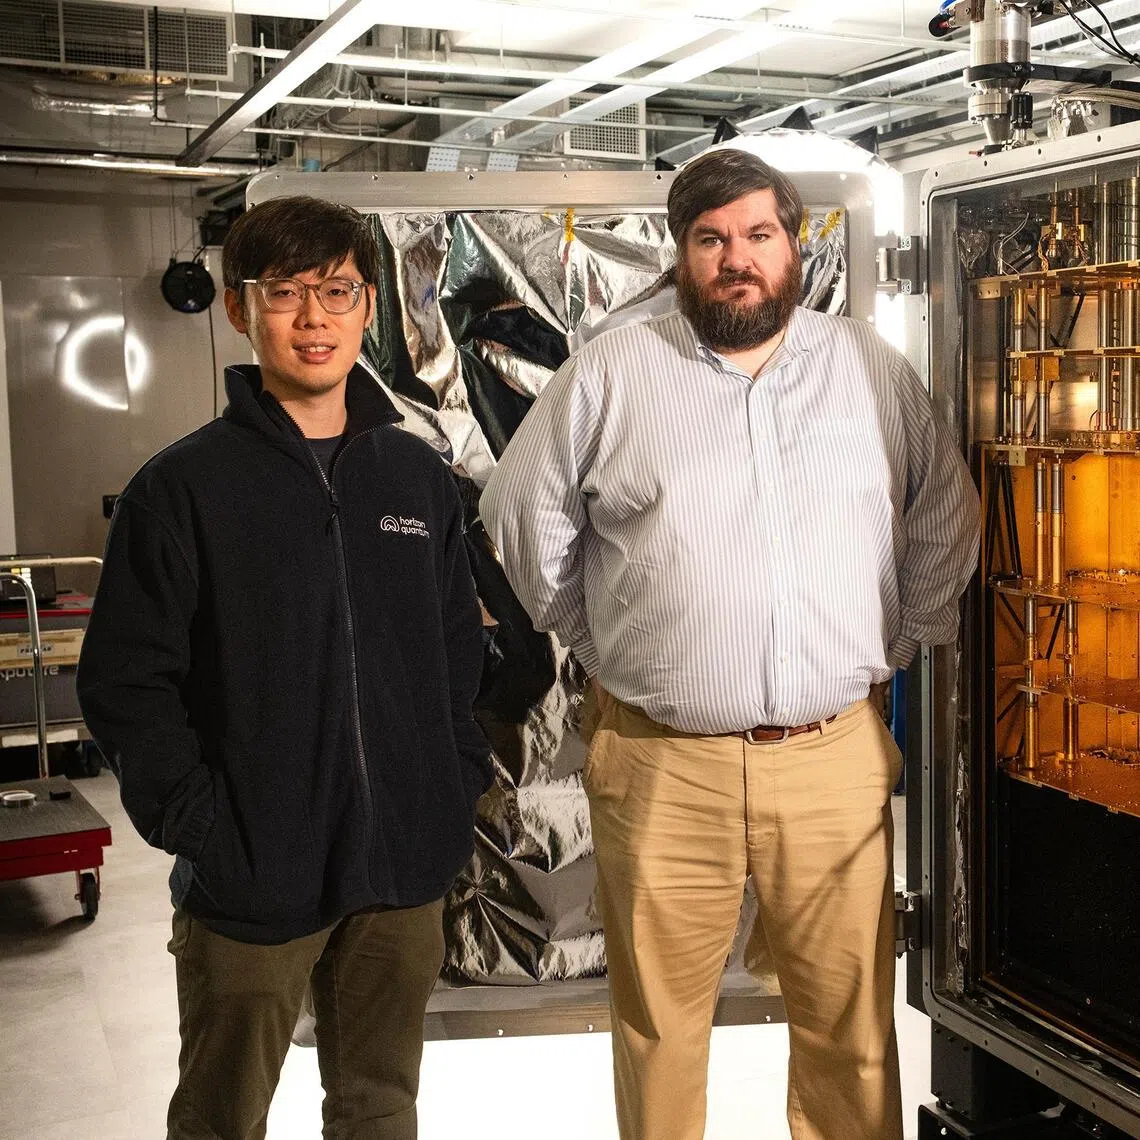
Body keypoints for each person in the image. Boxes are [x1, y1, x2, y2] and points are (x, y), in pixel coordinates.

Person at [479, 148, 979, 1140]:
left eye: (758, 235)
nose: (735, 259)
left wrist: (900, 644)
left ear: (796, 246)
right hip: (663, 765)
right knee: (661, 1031)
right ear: (680, 255)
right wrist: (609, 639)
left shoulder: (867, 368)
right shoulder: (616, 372)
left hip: (831, 758)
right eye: (710, 239)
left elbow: (943, 518)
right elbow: (519, 523)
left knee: (852, 1031)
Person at [77, 195, 491, 1140]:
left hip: (398, 873)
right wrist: (204, 827)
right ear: (238, 309)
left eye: (336, 291)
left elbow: (456, 657)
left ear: (369, 307)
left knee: (381, 1108)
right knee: (222, 1119)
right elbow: (126, 685)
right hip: (252, 875)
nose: (314, 318)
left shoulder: (414, 479)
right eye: (286, 293)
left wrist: (448, 784)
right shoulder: (181, 489)